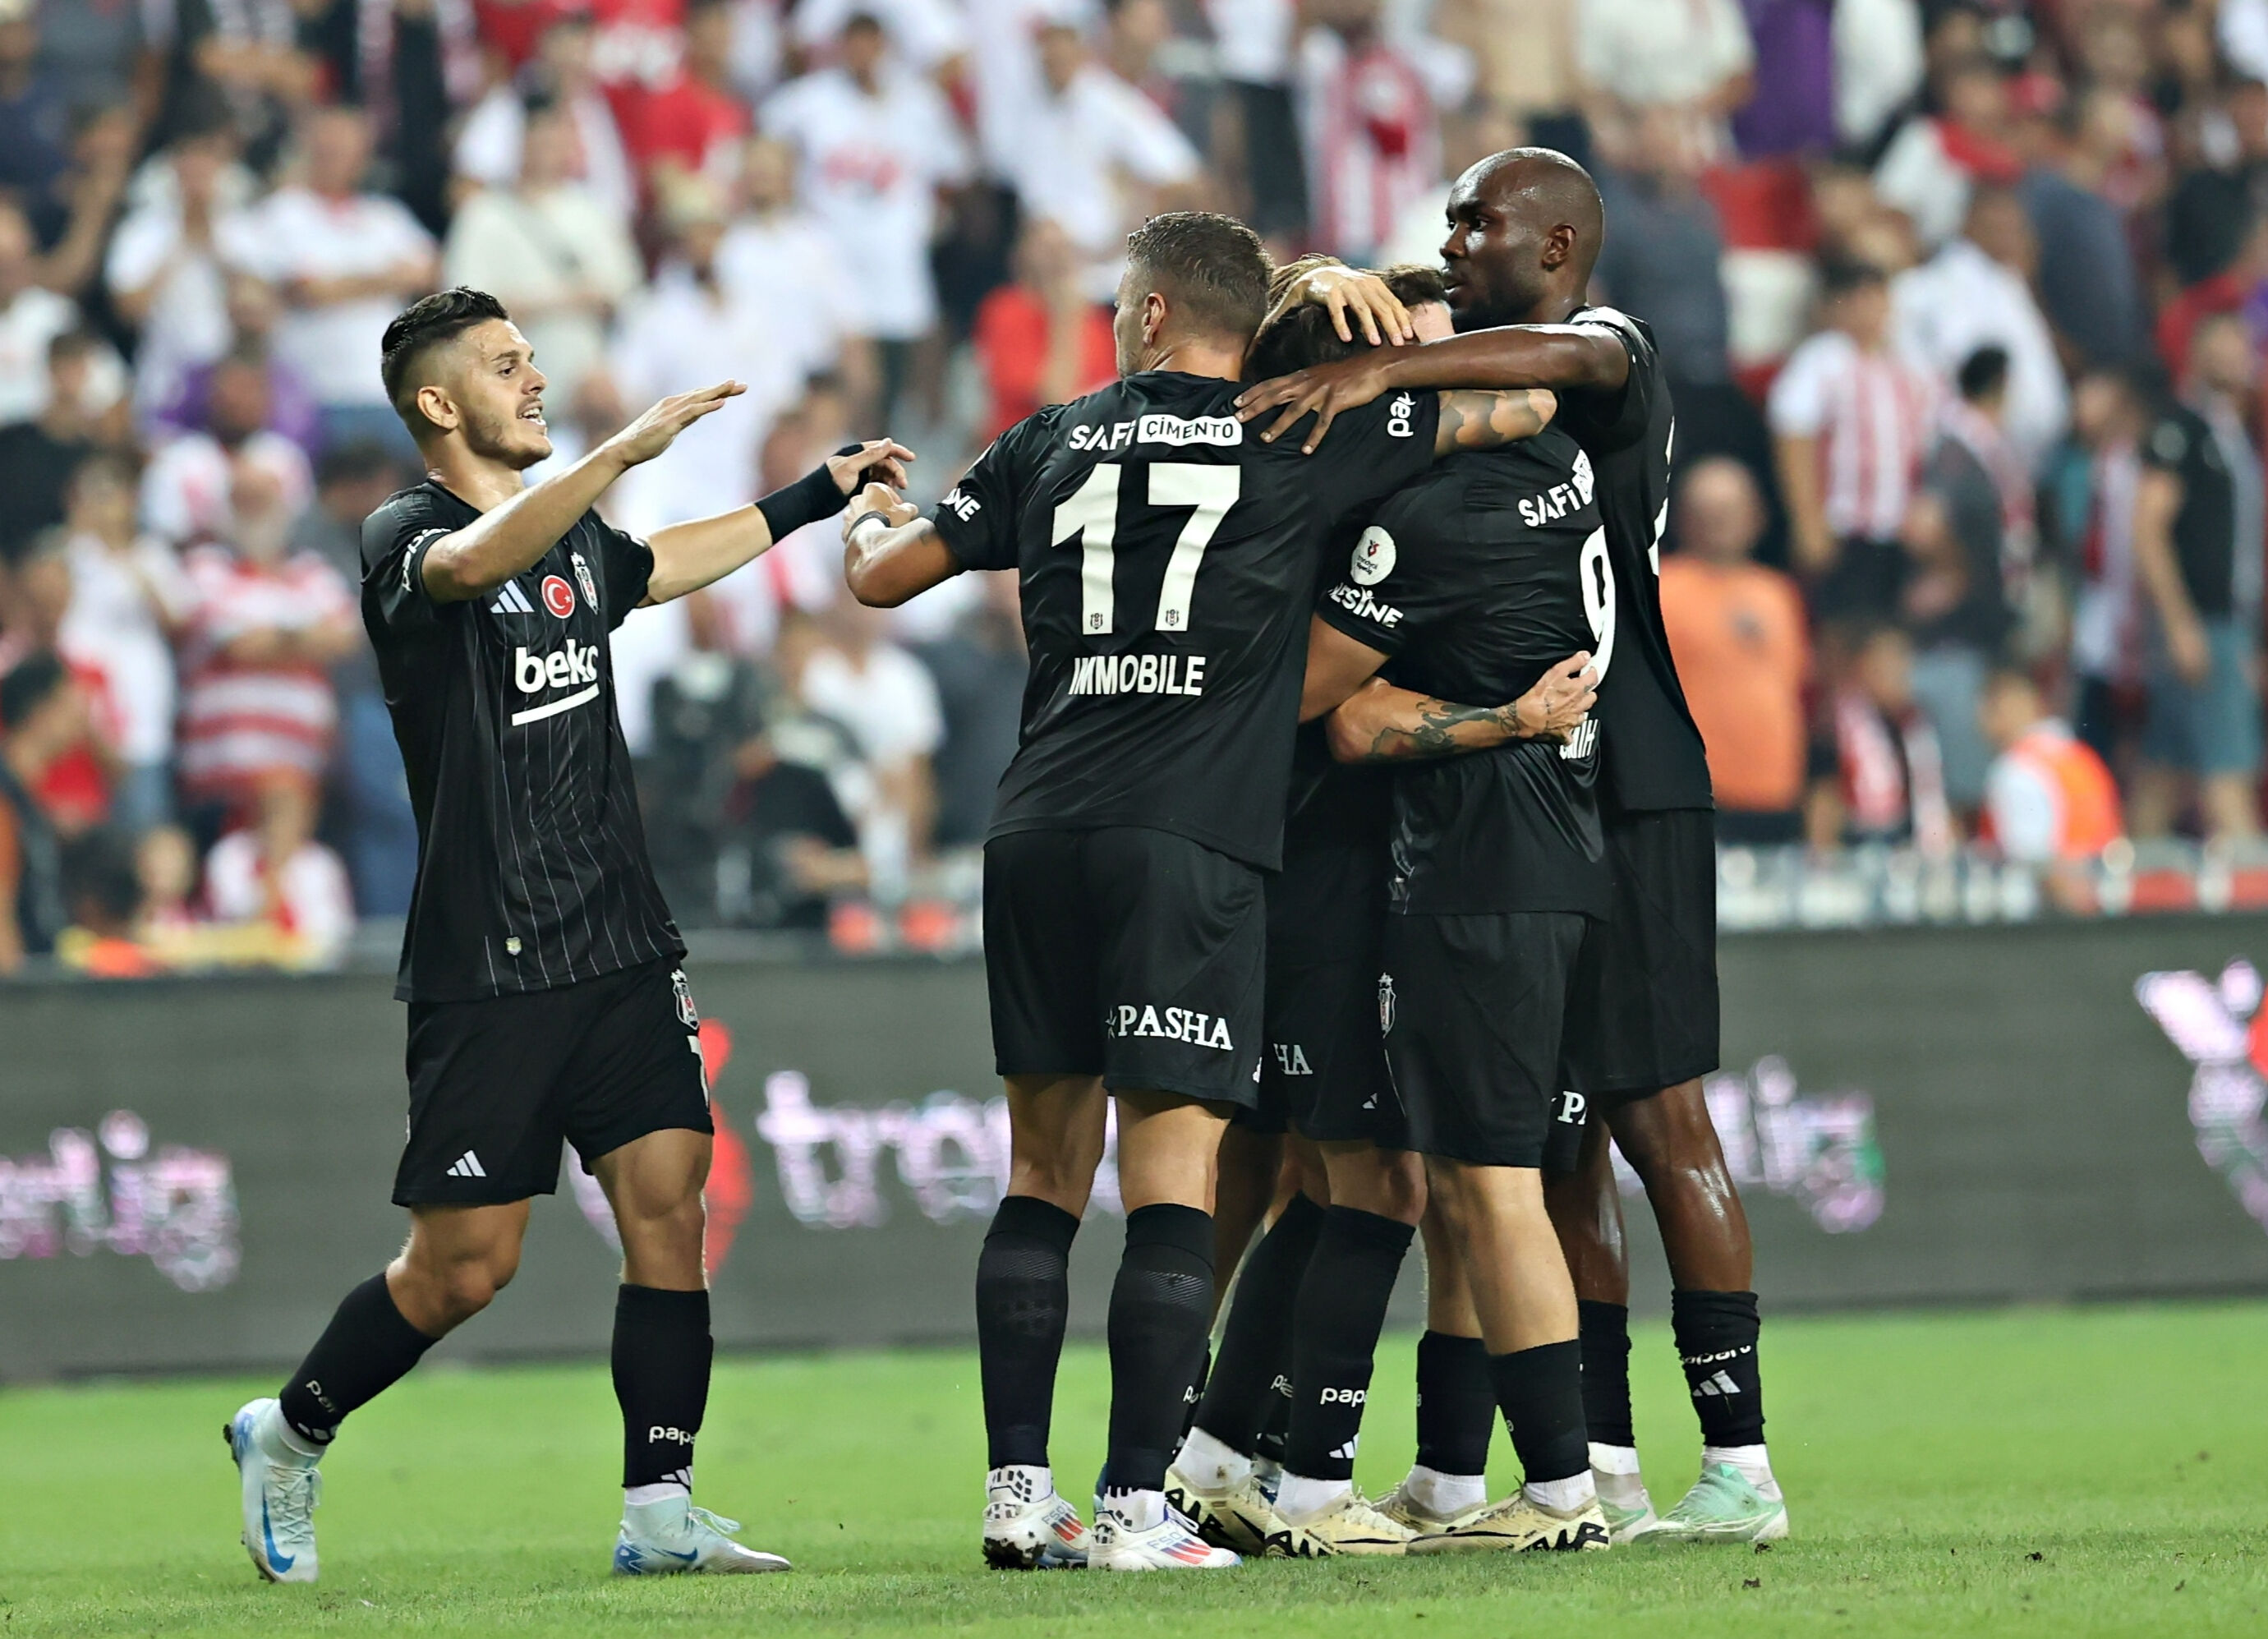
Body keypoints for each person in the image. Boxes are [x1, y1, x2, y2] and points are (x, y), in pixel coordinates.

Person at [839, 210, 1556, 1572]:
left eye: (1119, 302)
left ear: (1154, 315)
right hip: (1191, 843)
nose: (1115, 322)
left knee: (1039, 1177)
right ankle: (1132, 1510)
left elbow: (883, 579)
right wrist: (1382, 349)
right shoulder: (1306, 432)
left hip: (1036, 826)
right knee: (1171, 1181)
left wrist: (869, 508)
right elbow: (1518, 403)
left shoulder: (1049, 436)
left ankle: (1012, 1499)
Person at [221, 285, 910, 1584]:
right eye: (503, 364)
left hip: (620, 942)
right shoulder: (403, 533)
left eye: (533, 358)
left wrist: (811, 499)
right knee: (463, 1267)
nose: (532, 379)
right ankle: (289, 1432)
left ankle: (659, 1506)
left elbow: (654, 564)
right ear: (438, 402)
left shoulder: (577, 537)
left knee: (669, 1202)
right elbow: (475, 566)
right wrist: (621, 449)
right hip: (491, 964)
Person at [1245, 145, 1788, 1545]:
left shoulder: (1610, 349)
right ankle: (1592, 1459)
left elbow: (1564, 367)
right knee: (1551, 1141)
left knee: (1657, 1114)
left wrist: (1384, 371)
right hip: (1541, 797)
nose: (1455, 237)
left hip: (1637, 771)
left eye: (1478, 222)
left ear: (1555, 249)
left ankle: (1736, 1459)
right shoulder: (1489, 439)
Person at [1174, 260, 1606, 1560]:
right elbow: (1338, 712)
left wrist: (1346, 300)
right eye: (1395, 365)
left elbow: (1517, 401)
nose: (1428, 392)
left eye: (1431, 361)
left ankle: (1209, 1458)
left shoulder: (1374, 483)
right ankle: (1293, 1483)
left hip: (1376, 868)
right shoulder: (1318, 507)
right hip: (1313, 866)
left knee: (1322, 1177)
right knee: (1369, 1178)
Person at [2130, 311, 2264, 841]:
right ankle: (2257, 908)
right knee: (2227, 771)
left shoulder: (2233, 436)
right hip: (2201, 621)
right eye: (2223, 348)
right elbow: (2148, 529)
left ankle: (2127, 887)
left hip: (2225, 621)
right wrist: (2180, 622)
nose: (2237, 359)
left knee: (2163, 771)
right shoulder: (2180, 431)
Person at [1659, 458, 1808, 844]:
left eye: (1729, 510)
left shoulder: (1779, 593)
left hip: (1777, 792)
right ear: (1683, 518)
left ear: (1756, 515)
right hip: (1700, 794)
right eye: (1706, 511)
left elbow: (1796, 689)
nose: (1718, 522)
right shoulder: (1662, 589)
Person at [1978, 667, 2122, 865]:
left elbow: (2030, 862)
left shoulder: (2017, 769)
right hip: (2101, 887)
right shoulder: (2082, 757)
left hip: (2058, 891)